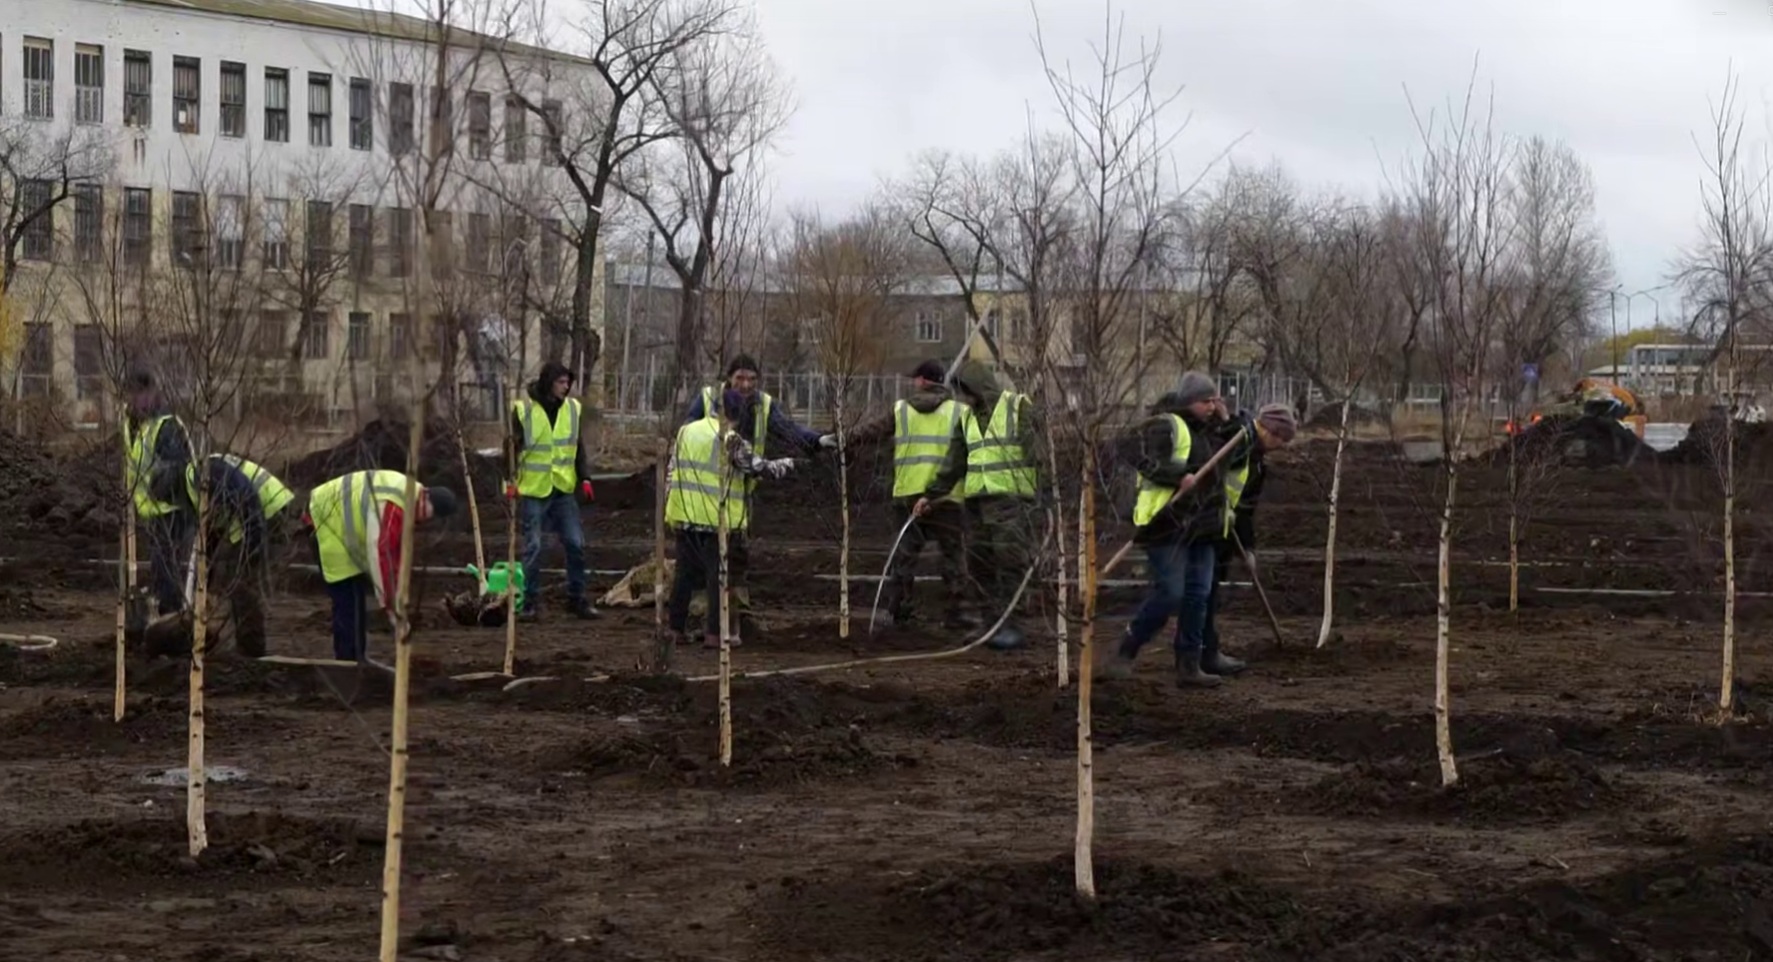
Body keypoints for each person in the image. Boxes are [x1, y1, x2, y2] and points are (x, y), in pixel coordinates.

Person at [1101, 372, 1231, 687]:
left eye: (1215, 400)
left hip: (1202, 526)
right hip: (1166, 523)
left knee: (1198, 596)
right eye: (1206, 401)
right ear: (1189, 401)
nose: (1212, 406)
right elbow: (1131, 451)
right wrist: (1176, 476)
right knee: (1171, 592)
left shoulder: (1211, 430)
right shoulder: (1165, 425)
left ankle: (1189, 665)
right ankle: (1126, 649)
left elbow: (1230, 457)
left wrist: (1226, 421)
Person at [681, 354, 829, 625]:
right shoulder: (708, 399)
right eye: (740, 378)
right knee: (702, 556)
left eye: (751, 379)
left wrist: (817, 441)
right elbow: (687, 433)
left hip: (741, 489)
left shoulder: (764, 405)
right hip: (704, 490)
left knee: (735, 550)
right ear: (729, 379)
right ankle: (706, 611)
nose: (746, 384)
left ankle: (731, 607)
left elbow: (788, 430)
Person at [914, 360, 1043, 650]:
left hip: (1012, 501)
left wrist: (1043, 499)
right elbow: (954, 462)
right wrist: (930, 494)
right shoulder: (967, 418)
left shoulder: (1017, 408)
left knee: (1010, 561)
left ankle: (1011, 625)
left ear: (978, 386)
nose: (963, 397)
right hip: (977, 505)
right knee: (979, 562)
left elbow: (1039, 455)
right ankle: (991, 624)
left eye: (966, 390)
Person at [845, 360, 978, 630]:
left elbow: (870, 432)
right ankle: (956, 613)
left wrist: (841, 438)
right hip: (947, 497)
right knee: (953, 555)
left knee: (905, 556)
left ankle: (898, 612)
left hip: (907, 495)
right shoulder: (961, 412)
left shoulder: (901, 410)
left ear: (921, 381)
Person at [663, 407, 800, 650]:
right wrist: (790, 464)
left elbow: (672, 471)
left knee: (683, 575)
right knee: (717, 577)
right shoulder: (730, 438)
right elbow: (758, 468)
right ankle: (715, 634)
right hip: (716, 521)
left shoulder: (686, 431)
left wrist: (669, 507)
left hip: (683, 516)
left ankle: (675, 629)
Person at [303, 470, 456, 662]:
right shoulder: (394, 506)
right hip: (324, 517)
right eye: (429, 516)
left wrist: (398, 592)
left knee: (356, 596)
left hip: (341, 523)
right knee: (347, 597)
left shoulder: (407, 495)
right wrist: (391, 608)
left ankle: (357, 658)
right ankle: (346, 664)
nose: (424, 521)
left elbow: (394, 554)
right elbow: (380, 553)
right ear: (426, 499)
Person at [1201, 403, 1297, 677]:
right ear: (1270, 430)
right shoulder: (1237, 442)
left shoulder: (1256, 458)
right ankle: (1203, 654)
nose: (1280, 445)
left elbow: (1245, 507)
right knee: (1200, 593)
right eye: (1281, 439)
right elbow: (1212, 479)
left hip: (1222, 531)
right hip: (1207, 527)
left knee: (1207, 593)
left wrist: (1248, 548)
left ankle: (1204, 652)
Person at [180, 453, 297, 658]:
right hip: (253, 516)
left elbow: (247, 495)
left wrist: (252, 546)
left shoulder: (204, 473)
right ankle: (246, 645)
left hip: (266, 510)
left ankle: (251, 652)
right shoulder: (198, 488)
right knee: (236, 579)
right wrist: (205, 574)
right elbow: (213, 531)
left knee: (242, 582)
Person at [507, 361, 597, 621]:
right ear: (548, 382)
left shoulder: (571, 410)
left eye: (568, 382)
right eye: (561, 382)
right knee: (533, 545)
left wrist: (586, 478)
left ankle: (577, 598)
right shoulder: (524, 411)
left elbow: (577, 448)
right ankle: (531, 602)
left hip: (562, 489)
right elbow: (510, 449)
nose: (566, 386)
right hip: (534, 490)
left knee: (575, 543)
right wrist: (510, 482)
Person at [124, 369, 194, 618]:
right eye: (132, 394)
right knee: (159, 564)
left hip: (172, 509)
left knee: (166, 565)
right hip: (150, 510)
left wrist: (156, 486)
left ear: (153, 394)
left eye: (140, 394)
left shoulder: (165, 426)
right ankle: (164, 610)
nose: (135, 400)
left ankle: (171, 616)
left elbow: (177, 469)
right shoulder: (134, 424)